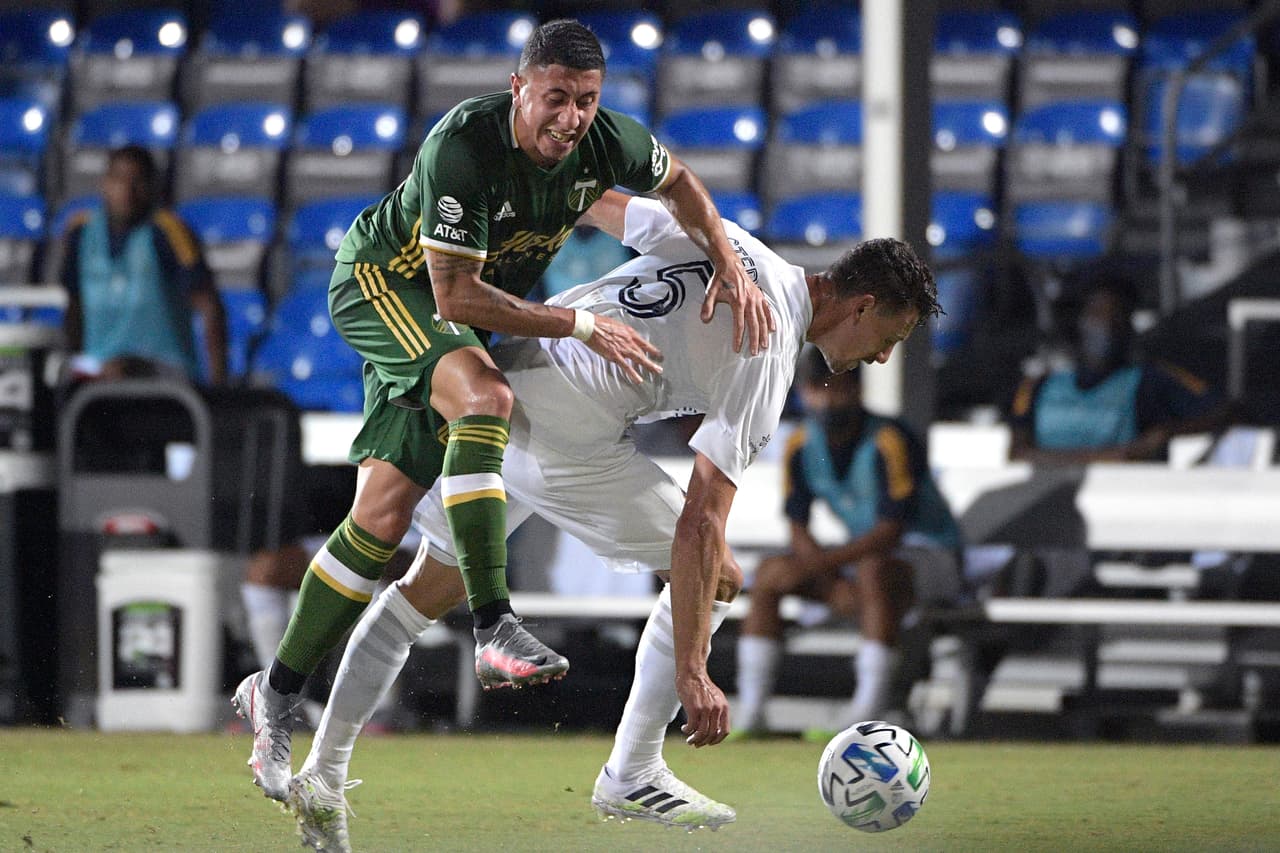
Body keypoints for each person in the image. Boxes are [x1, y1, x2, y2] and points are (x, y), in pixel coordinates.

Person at [280, 190, 939, 851]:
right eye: (892, 337)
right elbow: (701, 523)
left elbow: (590, 200)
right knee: (721, 577)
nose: (882, 357)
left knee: (428, 586)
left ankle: (321, 772)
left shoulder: (729, 240)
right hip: (567, 439)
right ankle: (634, 767)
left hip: (498, 388)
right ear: (862, 307)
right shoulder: (766, 354)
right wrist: (693, 667)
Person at [233, 19, 771, 803]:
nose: (572, 117)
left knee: (381, 518)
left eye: (586, 100)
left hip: (455, 322)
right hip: (388, 284)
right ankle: (494, 626)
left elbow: (681, 182)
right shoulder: (463, 146)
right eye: (555, 97)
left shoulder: (608, 142)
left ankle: (272, 693)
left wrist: (728, 260)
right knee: (487, 395)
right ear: (519, 88)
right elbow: (452, 293)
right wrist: (583, 323)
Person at [735, 350, 965, 739]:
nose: (825, 402)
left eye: (836, 390)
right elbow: (797, 523)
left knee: (874, 571)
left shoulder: (890, 438)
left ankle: (866, 710)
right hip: (857, 559)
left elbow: (892, 530)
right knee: (771, 574)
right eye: (815, 391)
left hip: (929, 553)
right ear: (803, 394)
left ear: (856, 390)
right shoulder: (800, 443)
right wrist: (826, 572)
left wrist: (825, 568)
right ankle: (752, 710)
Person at [1009, 276, 1224, 464]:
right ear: (1080, 321)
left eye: (1118, 316)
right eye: (1097, 313)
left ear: (1129, 326)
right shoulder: (1039, 385)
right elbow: (1017, 453)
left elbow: (1223, 410)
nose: (1107, 325)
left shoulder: (1149, 381)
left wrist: (1165, 433)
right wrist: (1116, 457)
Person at [60, 145, 227, 387]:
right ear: (105, 183)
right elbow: (74, 307)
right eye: (118, 179)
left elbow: (209, 307)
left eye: (136, 181)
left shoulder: (168, 232)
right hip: (100, 371)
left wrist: (219, 388)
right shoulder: (81, 232)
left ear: (152, 187)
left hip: (164, 372)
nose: (127, 191)